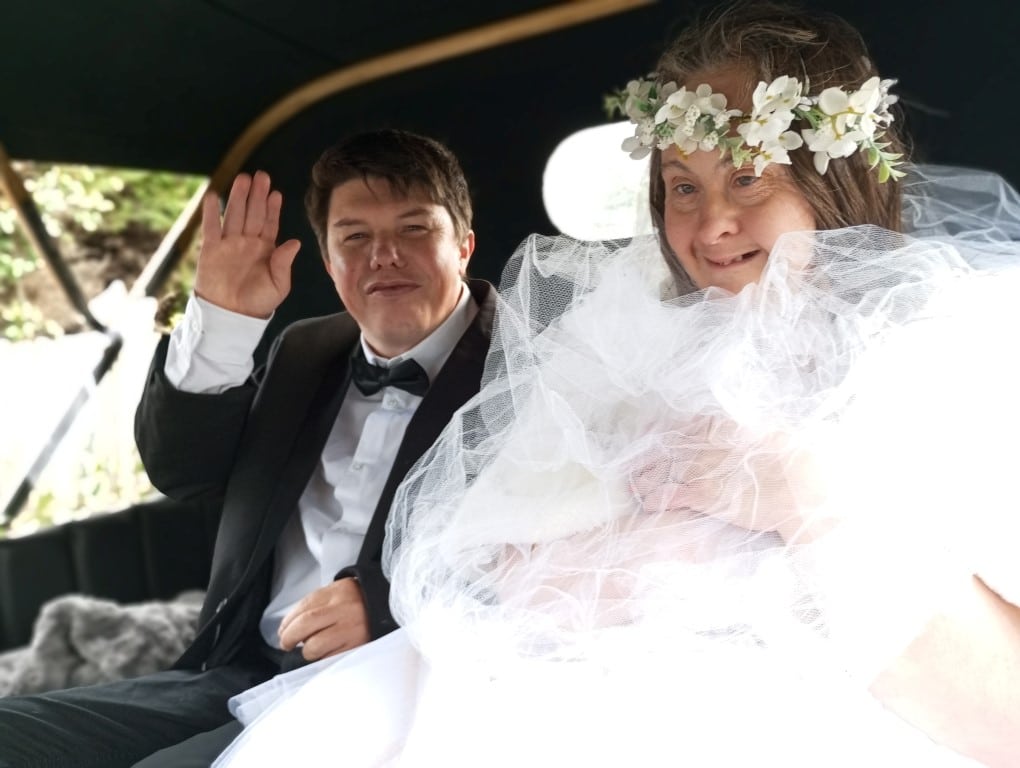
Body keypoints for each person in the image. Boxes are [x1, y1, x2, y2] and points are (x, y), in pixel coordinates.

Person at [214, 3, 1020, 766]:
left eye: (747, 179)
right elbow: (497, 555)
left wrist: (801, 499)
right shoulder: (626, 337)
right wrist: (599, 559)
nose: (709, 226)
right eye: (683, 187)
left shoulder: (961, 347)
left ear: (830, 175)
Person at [0, 128, 496, 767]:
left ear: (464, 243)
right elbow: (180, 471)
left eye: (413, 229)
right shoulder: (304, 350)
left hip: (397, 689)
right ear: (326, 256)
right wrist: (224, 322)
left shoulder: (524, 367)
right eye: (354, 237)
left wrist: (388, 606)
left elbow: (568, 556)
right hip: (238, 671)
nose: (384, 256)